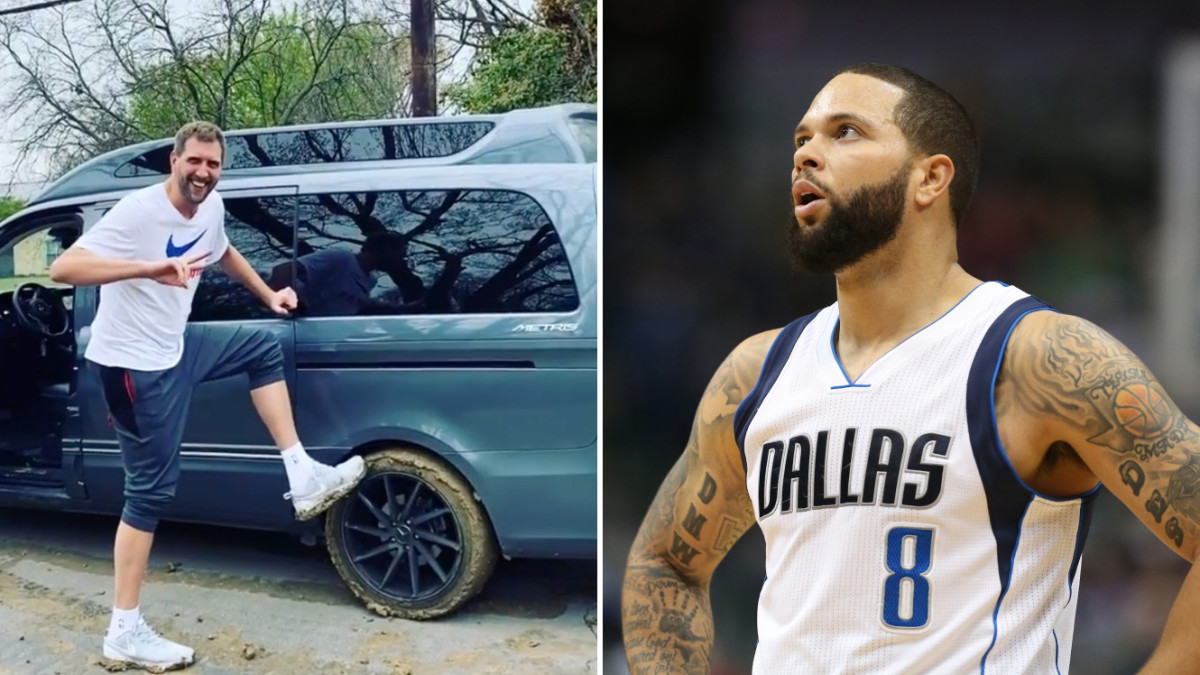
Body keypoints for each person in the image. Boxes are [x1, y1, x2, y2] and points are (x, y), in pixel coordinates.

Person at [621, 63, 1200, 674]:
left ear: (930, 178)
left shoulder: (1038, 359)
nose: (807, 155)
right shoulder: (755, 372)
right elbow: (666, 564)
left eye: (845, 132)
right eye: (801, 138)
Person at [48, 121, 367, 672]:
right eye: (194, 161)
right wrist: (149, 268)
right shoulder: (139, 211)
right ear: (175, 160)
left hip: (176, 348)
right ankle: (123, 631)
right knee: (148, 494)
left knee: (262, 347)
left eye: (213, 165)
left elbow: (223, 253)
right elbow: (63, 268)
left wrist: (270, 295)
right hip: (132, 368)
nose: (203, 173)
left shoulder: (210, 206)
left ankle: (302, 474)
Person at [267, 232, 411, 316]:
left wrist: (412, 308)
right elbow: (282, 271)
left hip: (328, 340)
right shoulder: (342, 259)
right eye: (400, 255)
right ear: (385, 249)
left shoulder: (370, 281)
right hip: (300, 334)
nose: (401, 261)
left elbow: (362, 305)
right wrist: (296, 309)